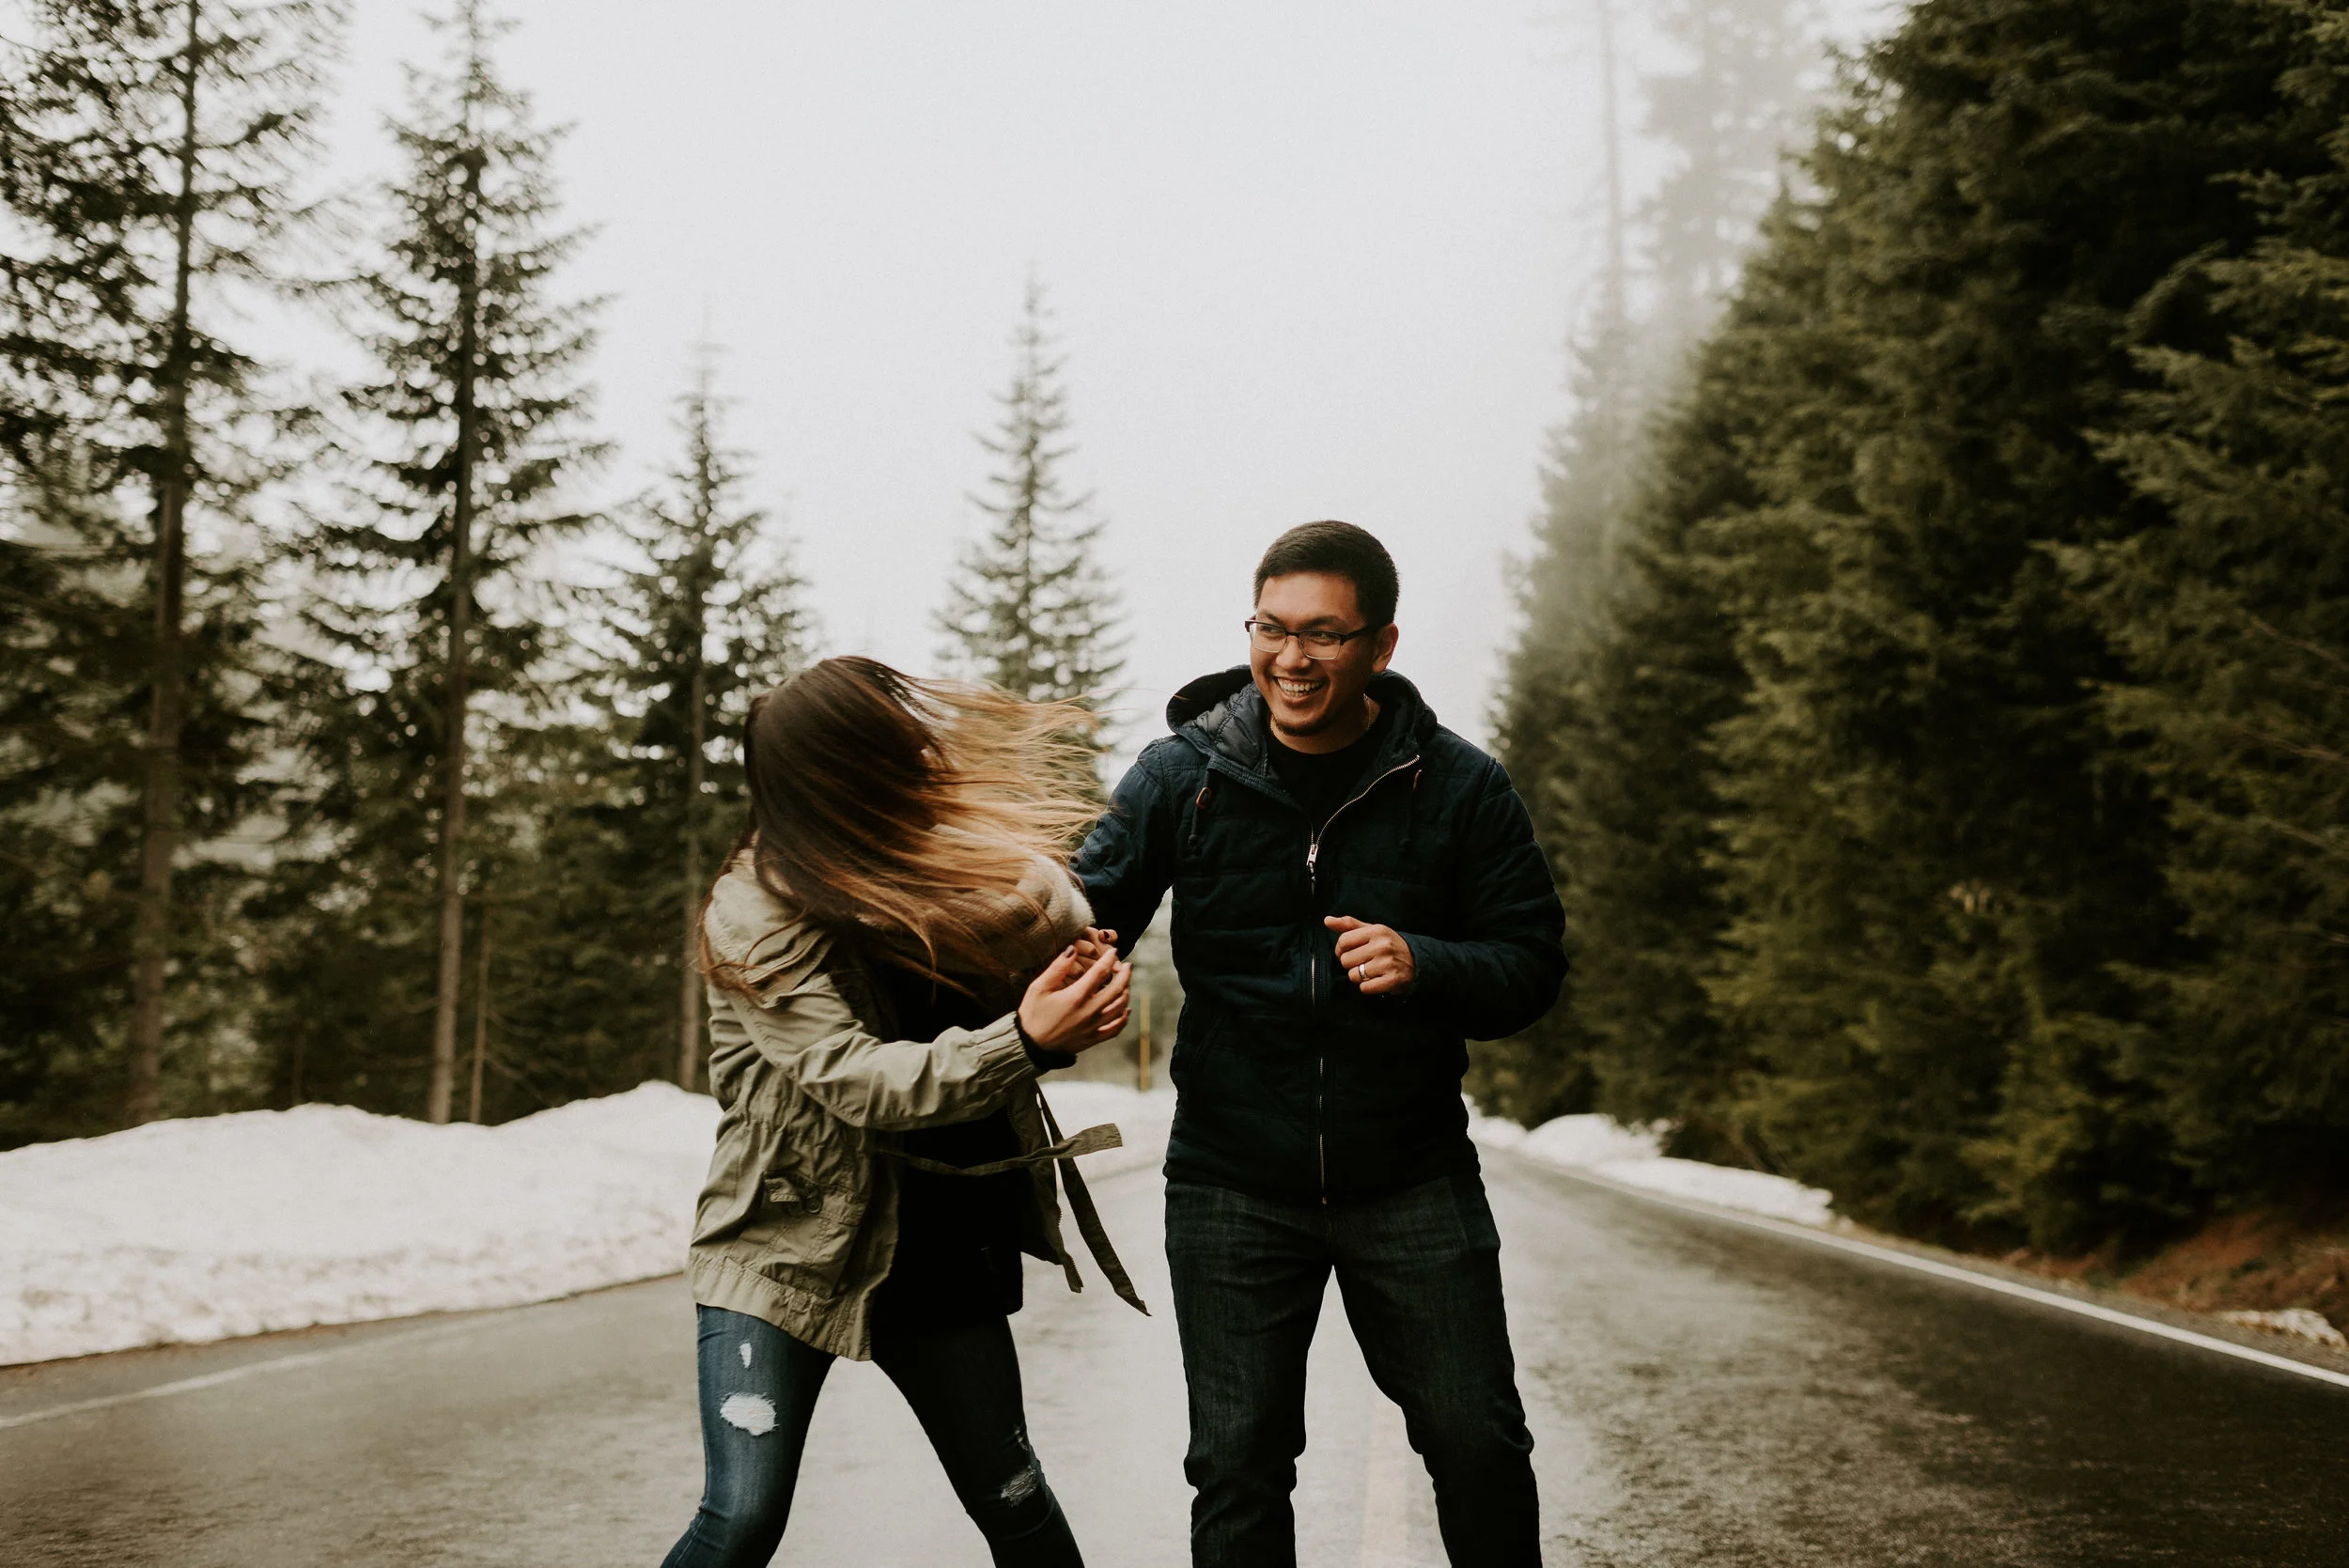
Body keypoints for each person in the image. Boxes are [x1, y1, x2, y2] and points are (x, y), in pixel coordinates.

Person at [1073, 520, 1566, 1566]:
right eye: (1271, 628)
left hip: (1411, 1177)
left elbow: (1530, 961)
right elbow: (1080, 914)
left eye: (1323, 635)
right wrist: (1040, 980)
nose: (1290, 658)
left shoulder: (1459, 785)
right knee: (1238, 1465)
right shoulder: (1182, 775)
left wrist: (1427, 962)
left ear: (1379, 647)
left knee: (1476, 1443)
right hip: (1231, 1181)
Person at [662, 656, 1147, 1568]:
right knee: (742, 1516)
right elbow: (855, 1078)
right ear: (836, 781)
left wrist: (1068, 981)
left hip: (938, 1243)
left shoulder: (941, 861)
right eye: (892, 754)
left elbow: (1040, 955)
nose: (921, 764)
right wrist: (1028, 1041)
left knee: (1013, 1499)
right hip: (782, 1246)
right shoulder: (754, 910)